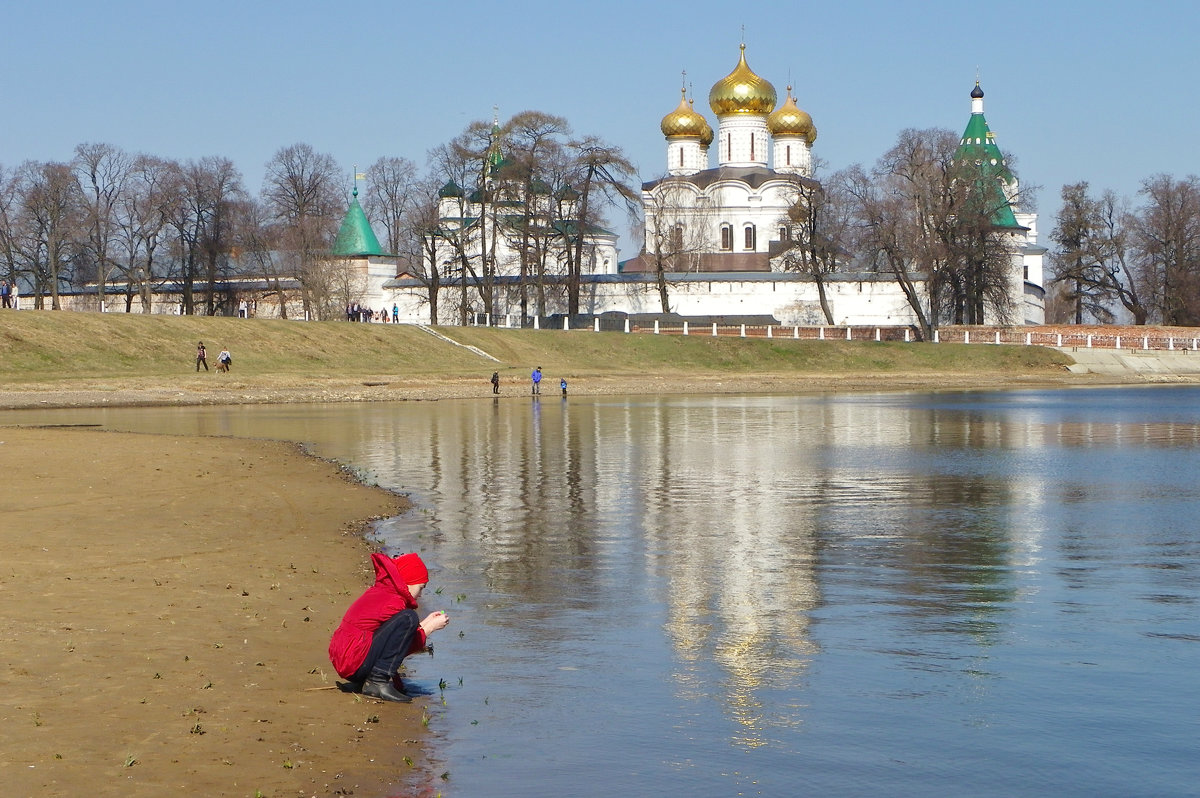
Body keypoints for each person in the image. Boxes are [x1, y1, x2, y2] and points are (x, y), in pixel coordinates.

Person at [329, 552, 449, 702]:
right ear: (407, 583)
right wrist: (429, 629)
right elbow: (397, 648)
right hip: (353, 660)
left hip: (348, 657)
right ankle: (377, 681)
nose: (421, 594)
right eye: (421, 587)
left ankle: (371, 680)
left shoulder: (384, 593)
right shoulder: (394, 601)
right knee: (409, 617)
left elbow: (390, 641)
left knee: (408, 619)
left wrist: (425, 624)